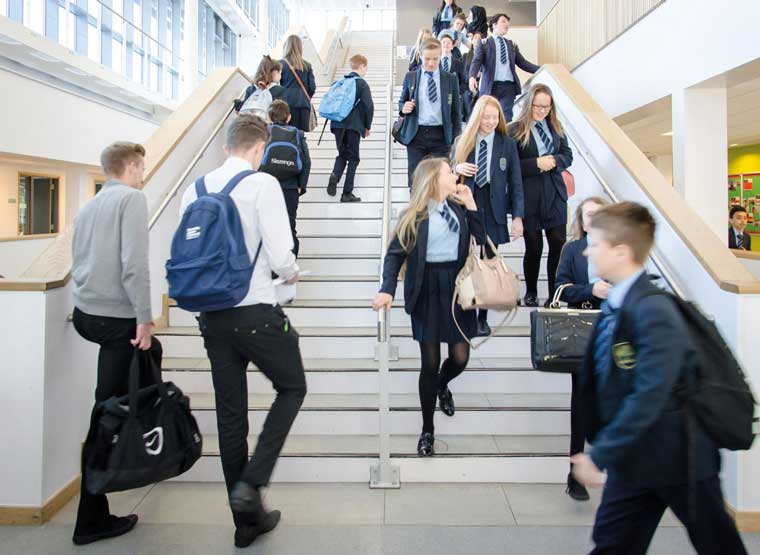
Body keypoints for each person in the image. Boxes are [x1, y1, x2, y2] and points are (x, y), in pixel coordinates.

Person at [572, 202, 748, 555]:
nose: (587, 250)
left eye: (595, 243)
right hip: (636, 458)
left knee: (718, 545)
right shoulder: (618, 303)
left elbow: (651, 391)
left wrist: (600, 453)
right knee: (612, 546)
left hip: (680, 457)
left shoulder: (653, 310)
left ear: (621, 252)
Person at [179, 114, 306, 548]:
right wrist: (290, 274)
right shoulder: (262, 184)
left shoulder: (194, 189)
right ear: (259, 148)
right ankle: (251, 484)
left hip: (211, 317)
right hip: (255, 311)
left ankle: (245, 522)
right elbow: (280, 252)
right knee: (292, 387)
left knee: (230, 416)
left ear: (226, 145)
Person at [70, 141, 157, 545]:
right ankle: (90, 517)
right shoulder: (132, 200)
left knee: (119, 394)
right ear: (134, 166)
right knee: (106, 414)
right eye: (142, 166)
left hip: (87, 313)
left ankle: (103, 496)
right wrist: (145, 316)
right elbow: (134, 264)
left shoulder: (92, 202)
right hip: (116, 317)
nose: (144, 173)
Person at [373, 158, 485, 457]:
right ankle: (427, 430)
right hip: (427, 288)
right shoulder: (414, 215)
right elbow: (394, 256)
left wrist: (472, 204)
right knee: (430, 363)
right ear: (434, 179)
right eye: (449, 172)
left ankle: (442, 385)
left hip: (457, 287)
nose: (454, 174)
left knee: (460, 357)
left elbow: (483, 240)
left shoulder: (460, 207)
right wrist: (387, 290)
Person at [451, 95, 524, 336]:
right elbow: (445, 178)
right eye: (486, 117)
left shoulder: (507, 144)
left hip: (494, 210)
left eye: (495, 118)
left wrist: (517, 217)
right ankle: (463, 309)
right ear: (477, 117)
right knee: (464, 260)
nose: (491, 122)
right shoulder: (463, 141)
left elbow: (516, 184)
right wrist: (456, 169)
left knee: (488, 262)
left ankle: (482, 316)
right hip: (467, 205)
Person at [553, 196, 610, 502]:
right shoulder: (573, 249)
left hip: (613, 332)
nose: (593, 219)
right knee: (581, 402)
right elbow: (560, 288)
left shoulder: (616, 249)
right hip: (581, 332)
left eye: (598, 214)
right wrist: (590, 290)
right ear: (581, 219)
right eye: (588, 214)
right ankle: (574, 476)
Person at [509, 84, 572, 307]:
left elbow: (567, 155)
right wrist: (536, 163)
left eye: (546, 106)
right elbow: (511, 166)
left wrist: (554, 162)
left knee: (558, 243)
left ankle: (554, 294)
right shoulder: (515, 129)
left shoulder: (556, 126)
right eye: (537, 106)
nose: (541, 110)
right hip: (530, 196)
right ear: (529, 104)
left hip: (554, 193)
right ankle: (532, 292)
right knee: (534, 246)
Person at [398, 38, 462, 189]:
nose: (431, 63)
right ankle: (417, 212)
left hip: (440, 136)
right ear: (420, 55)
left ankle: (437, 212)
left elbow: (456, 112)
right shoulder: (410, 77)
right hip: (416, 135)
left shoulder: (450, 79)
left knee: (440, 180)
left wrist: (456, 138)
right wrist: (404, 107)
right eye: (427, 59)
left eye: (435, 58)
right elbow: (402, 102)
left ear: (441, 56)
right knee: (415, 180)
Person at [261, 100, 311, 257]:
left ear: (269, 117)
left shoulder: (264, 133)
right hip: (290, 187)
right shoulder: (297, 134)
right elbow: (307, 162)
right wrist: (301, 186)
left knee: (268, 226)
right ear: (289, 117)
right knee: (290, 226)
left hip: (267, 187)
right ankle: (291, 263)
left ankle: (272, 267)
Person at [468, 13, 540, 121]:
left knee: (507, 117)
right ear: (494, 25)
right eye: (503, 21)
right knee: (489, 116)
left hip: (508, 87)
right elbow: (476, 61)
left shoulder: (512, 45)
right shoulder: (484, 43)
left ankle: (505, 137)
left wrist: (541, 69)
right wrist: (472, 77)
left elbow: (523, 63)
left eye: (508, 22)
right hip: (491, 86)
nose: (507, 24)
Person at [327, 54, 374, 203]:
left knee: (342, 154)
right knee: (354, 158)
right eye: (365, 68)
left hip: (336, 124)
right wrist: (367, 126)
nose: (365, 71)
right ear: (361, 66)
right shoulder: (361, 84)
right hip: (353, 126)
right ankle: (347, 193)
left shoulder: (340, 82)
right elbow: (369, 107)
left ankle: (335, 175)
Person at [280, 35, 316, 132]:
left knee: (285, 133)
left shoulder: (280, 65)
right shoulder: (307, 65)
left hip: (285, 105)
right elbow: (312, 87)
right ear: (300, 47)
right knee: (300, 135)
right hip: (303, 105)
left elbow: (277, 85)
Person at [438, 32, 467, 118]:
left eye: (448, 43)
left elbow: (464, 82)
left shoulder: (458, 63)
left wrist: (458, 93)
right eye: (443, 42)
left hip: (454, 99)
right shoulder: (435, 62)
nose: (446, 44)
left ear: (452, 46)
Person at [462, 31, 484, 122]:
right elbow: (463, 73)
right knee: (469, 111)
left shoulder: (485, 56)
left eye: (479, 39)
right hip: (468, 87)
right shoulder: (466, 56)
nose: (477, 40)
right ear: (471, 40)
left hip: (481, 86)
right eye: (475, 38)